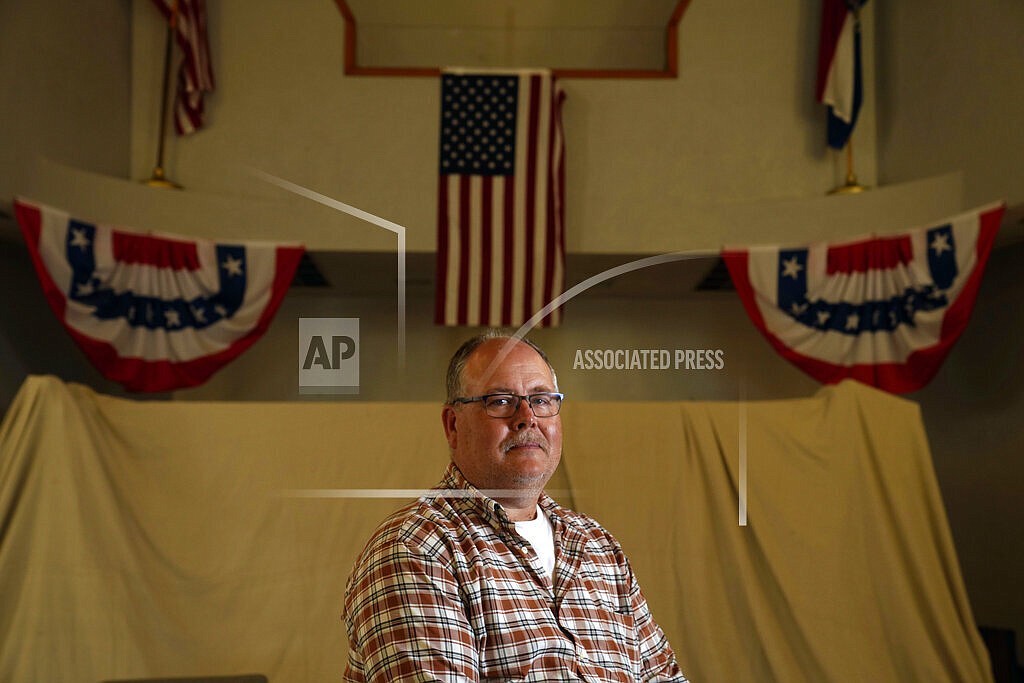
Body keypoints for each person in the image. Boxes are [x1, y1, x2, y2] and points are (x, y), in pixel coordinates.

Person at [342, 332, 688, 682]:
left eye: (541, 400)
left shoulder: (598, 546)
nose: (527, 417)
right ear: (453, 425)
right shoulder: (417, 548)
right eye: (501, 401)